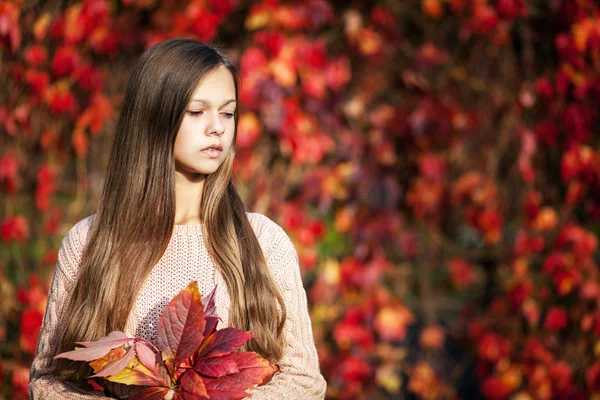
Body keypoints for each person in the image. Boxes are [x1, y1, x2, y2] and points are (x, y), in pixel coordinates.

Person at [28, 38, 327, 399]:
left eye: (228, 112)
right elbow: (48, 380)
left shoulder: (264, 241)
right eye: (197, 111)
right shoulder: (90, 241)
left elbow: (303, 380)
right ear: (156, 116)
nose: (217, 127)